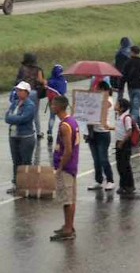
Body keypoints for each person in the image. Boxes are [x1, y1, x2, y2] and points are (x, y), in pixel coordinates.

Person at [50, 95, 80, 241]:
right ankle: (68, 225)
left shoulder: (64, 126)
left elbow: (68, 150)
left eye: (53, 105)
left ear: (59, 107)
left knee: (67, 199)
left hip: (67, 167)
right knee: (70, 198)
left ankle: (68, 229)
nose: (51, 107)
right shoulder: (71, 121)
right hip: (73, 165)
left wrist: (61, 166)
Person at [4, 82, 36, 195]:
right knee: (16, 162)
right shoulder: (15, 103)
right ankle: (16, 184)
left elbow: (23, 119)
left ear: (26, 92)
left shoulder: (30, 105)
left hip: (25, 137)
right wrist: (14, 118)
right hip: (13, 136)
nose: (18, 92)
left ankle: (27, 186)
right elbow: (6, 117)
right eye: (17, 90)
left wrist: (13, 118)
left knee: (25, 162)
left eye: (20, 90)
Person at [86, 81, 115, 191]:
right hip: (93, 132)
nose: (96, 91)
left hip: (103, 133)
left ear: (104, 90)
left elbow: (101, 109)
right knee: (96, 159)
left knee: (103, 158)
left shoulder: (108, 100)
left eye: (98, 89)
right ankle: (98, 180)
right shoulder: (97, 100)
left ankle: (110, 180)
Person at [15, 53, 46, 139]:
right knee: (35, 113)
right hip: (34, 92)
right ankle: (39, 132)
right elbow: (40, 81)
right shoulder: (38, 69)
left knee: (21, 111)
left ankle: (20, 130)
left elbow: (17, 81)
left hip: (24, 92)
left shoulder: (22, 69)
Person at [114, 98, 135, 195]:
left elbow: (129, 131)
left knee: (125, 165)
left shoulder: (126, 118)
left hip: (124, 143)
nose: (115, 105)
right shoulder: (118, 116)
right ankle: (122, 185)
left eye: (117, 104)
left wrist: (122, 142)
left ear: (122, 108)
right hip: (118, 142)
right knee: (119, 165)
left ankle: (129, 185)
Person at [46, 64, 68, 144]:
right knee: (63, 117)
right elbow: (64, 91)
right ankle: (63, 132)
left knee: (52, 117)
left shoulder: (50, 81)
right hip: (62, 100)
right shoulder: (64, 81)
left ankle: (50, 133)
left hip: (52, 101)